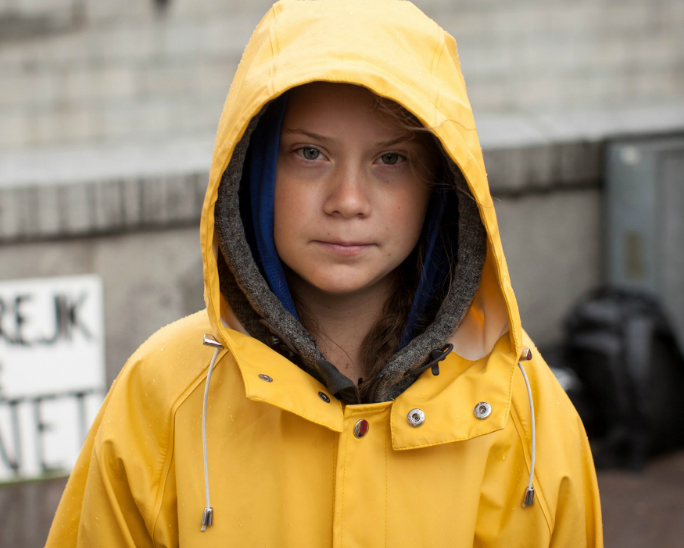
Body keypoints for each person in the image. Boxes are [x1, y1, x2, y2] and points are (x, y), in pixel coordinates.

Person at [46, 0, 603, 546]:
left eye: (391, 160)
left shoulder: (519, 402)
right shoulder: (165, 392)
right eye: (309, 154)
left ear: (439, 184)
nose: (348, 200)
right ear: (254, 167)